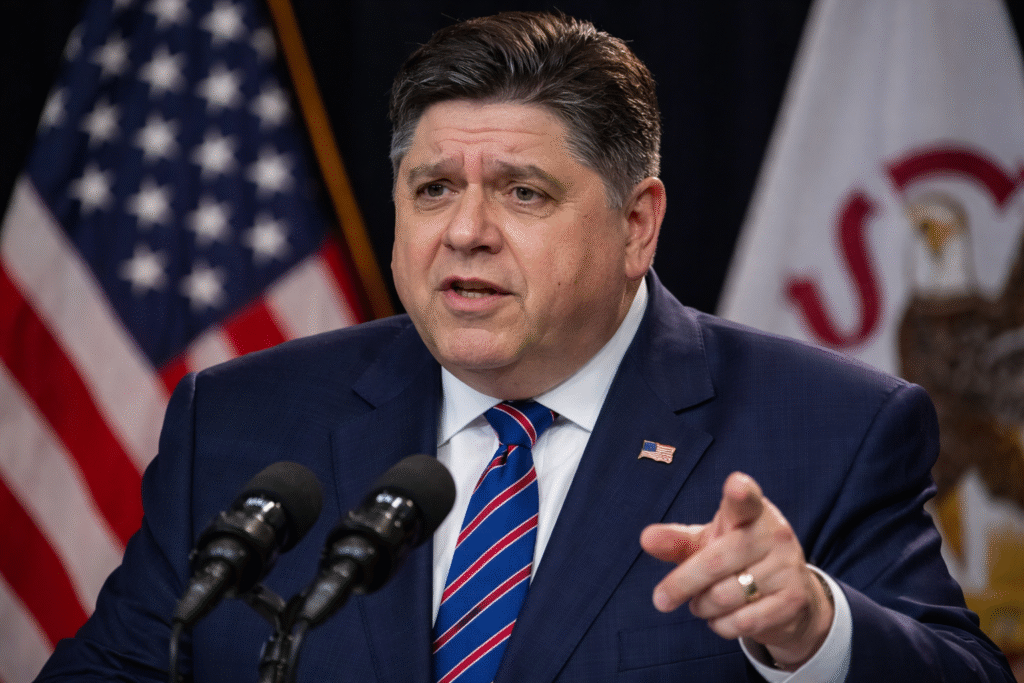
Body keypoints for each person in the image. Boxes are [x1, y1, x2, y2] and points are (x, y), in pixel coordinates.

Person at [36, 10, 1013, 683]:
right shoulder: (243, 418)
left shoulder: (829, 427)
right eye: (431, 190)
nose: (462, 232)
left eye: (521, 192)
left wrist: (813, 627)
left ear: (637, 223)